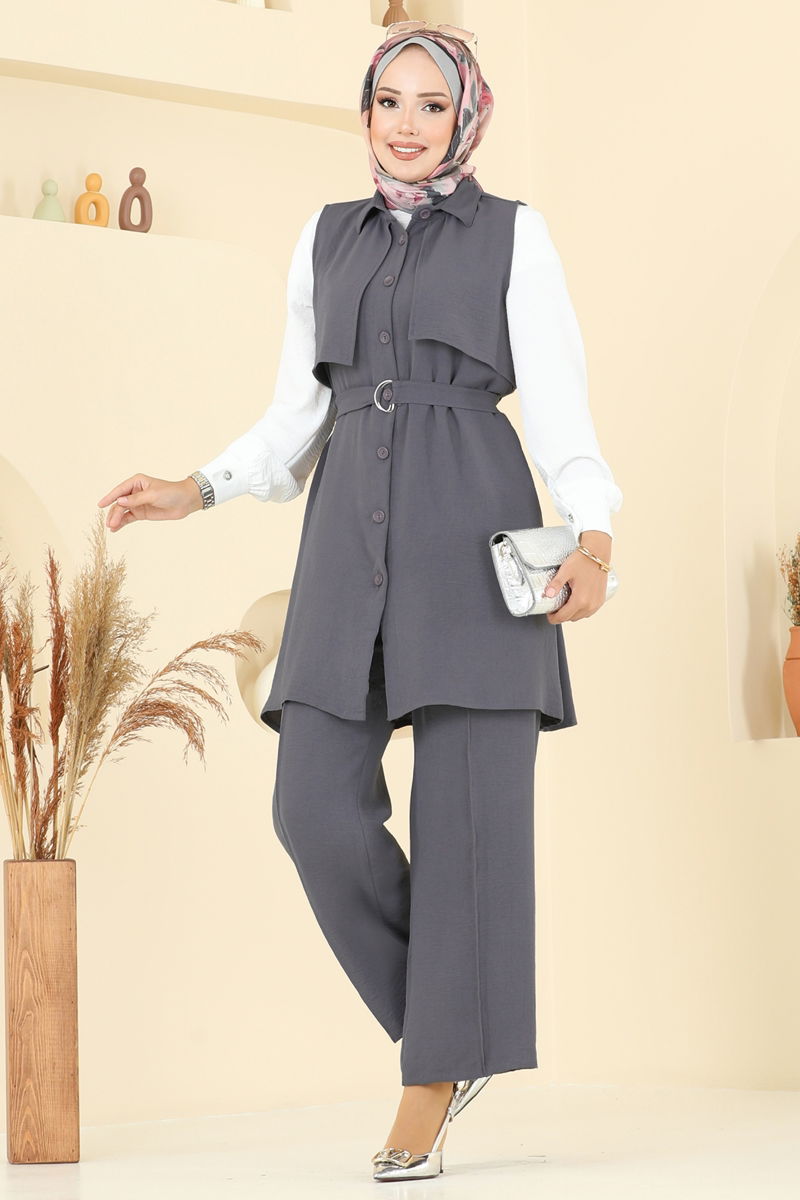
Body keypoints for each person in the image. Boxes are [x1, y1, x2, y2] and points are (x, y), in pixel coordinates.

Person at [97, 22, 623, 1183]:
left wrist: (592, 534)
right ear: (366, 110)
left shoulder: (515, 235)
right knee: (313, 811)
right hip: (346, 541)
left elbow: (561, 404)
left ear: (466, 117)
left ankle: (429, 1081)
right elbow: (295, 412)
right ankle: (453, 1031)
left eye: (433, 105)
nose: (407, 123)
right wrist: (197, 487)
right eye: (390, 100)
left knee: (468, 825)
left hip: (476, 537)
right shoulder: (324, 236)